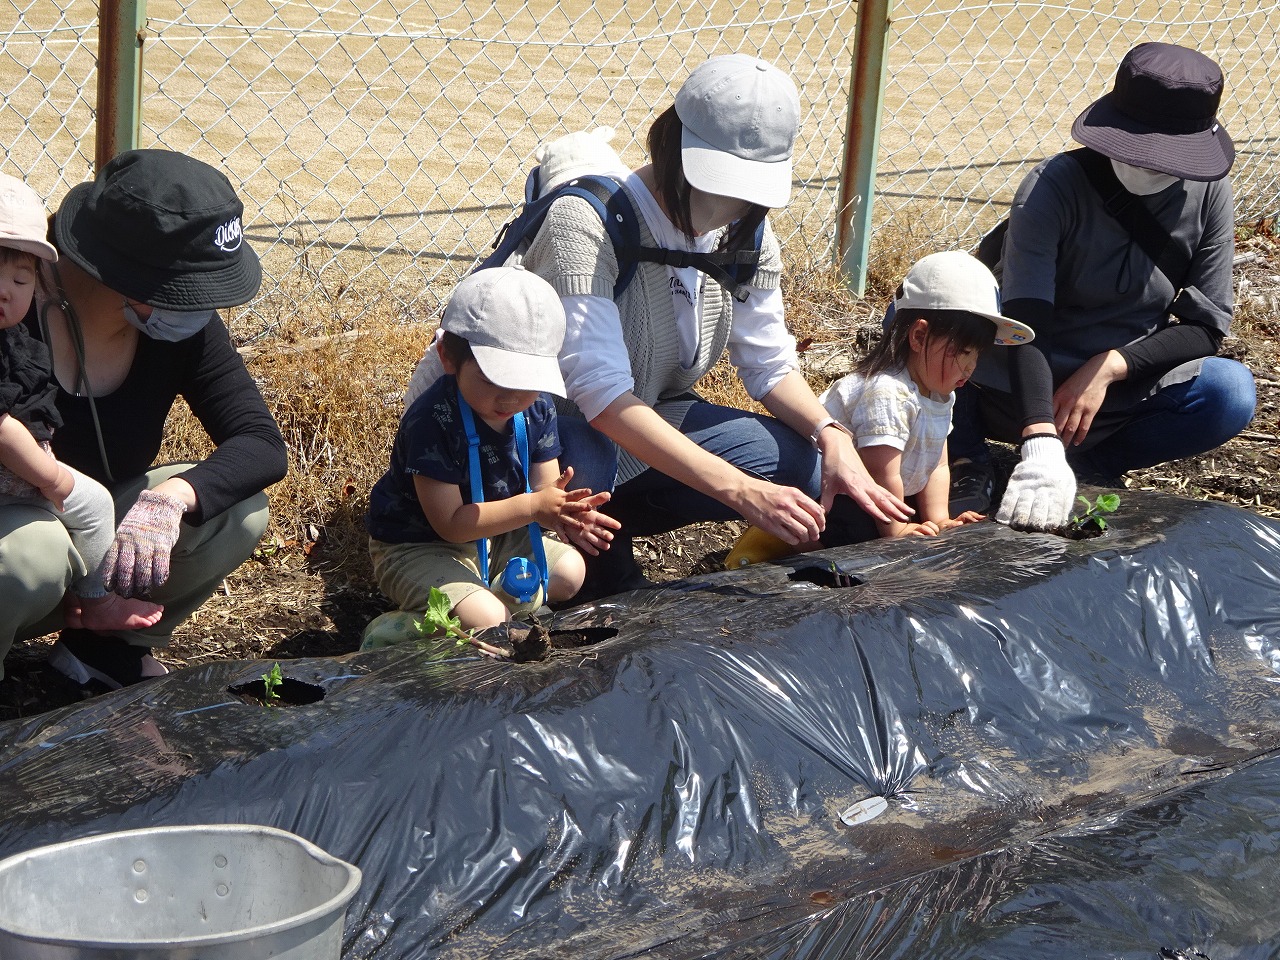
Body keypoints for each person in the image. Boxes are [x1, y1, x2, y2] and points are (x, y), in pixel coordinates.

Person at [406, 54, 910, 600]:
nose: (729, 206)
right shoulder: (587, 222)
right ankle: (591, 573)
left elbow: (768, 364)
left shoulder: (748, 234)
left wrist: (831, 436)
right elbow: (598, 395)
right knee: (588, 456)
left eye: (747, 191)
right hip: (531, 428)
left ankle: (611, 532)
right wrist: (741, 491)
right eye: (717, 182)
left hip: (646, 414)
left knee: (804, 469)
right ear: (671, 146)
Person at [0, 149, 287, 691]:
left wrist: (170, 499)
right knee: (34, 550)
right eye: (189, 289)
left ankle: (103, 650)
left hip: (87, 553)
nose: (201, 307)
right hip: (17, 556)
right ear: (125, 274)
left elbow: (260, 442)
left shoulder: (181, 330)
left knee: (235, 510)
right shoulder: (9, 301)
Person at [949, 41, 1256, 530]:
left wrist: (1113, 365)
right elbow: (1026, 318)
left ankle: (1093, 466)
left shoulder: (1211, 190)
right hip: (1006, 383)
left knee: (1230, 393)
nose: (1149, 166)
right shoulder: (1051, 185)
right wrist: (1039, 438)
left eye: (1166, 159)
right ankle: (966, 459)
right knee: (921, 321)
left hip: (1108, 399)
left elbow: (1206, 325)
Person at [727, 252, 1035, 564]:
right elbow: (880, 472)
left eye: (977, 355)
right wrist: (897, 531)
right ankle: (792, 546)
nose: (970, 367)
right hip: (831, 493)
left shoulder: (940, 393)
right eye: (963, 352)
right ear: (919, 336)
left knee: (916, 521)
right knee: (863, 530)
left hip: (881, 494)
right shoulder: (888, 392)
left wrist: (940, 520)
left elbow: (937, 465)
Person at [364, 266, 619, 641]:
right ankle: (396, 633)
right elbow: (450, 524)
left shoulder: (536, 408)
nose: (512, 398)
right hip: (421, 546)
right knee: (486, 616)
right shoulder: (431, 421)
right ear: (448, 357)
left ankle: (496, 610)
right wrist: (534, 507)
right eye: (495, 379)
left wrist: (562, 512)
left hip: (499, 536)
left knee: (570, 573)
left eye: (528, 382)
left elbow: (545, 487)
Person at [1, 173, 165, 634]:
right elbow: (3, 429)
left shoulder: (12, 336)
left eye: (19, 278)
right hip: (15, 468)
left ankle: (74, 608)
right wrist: (50, 475)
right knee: (92, 505)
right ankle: (96, 601)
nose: (4, 291)